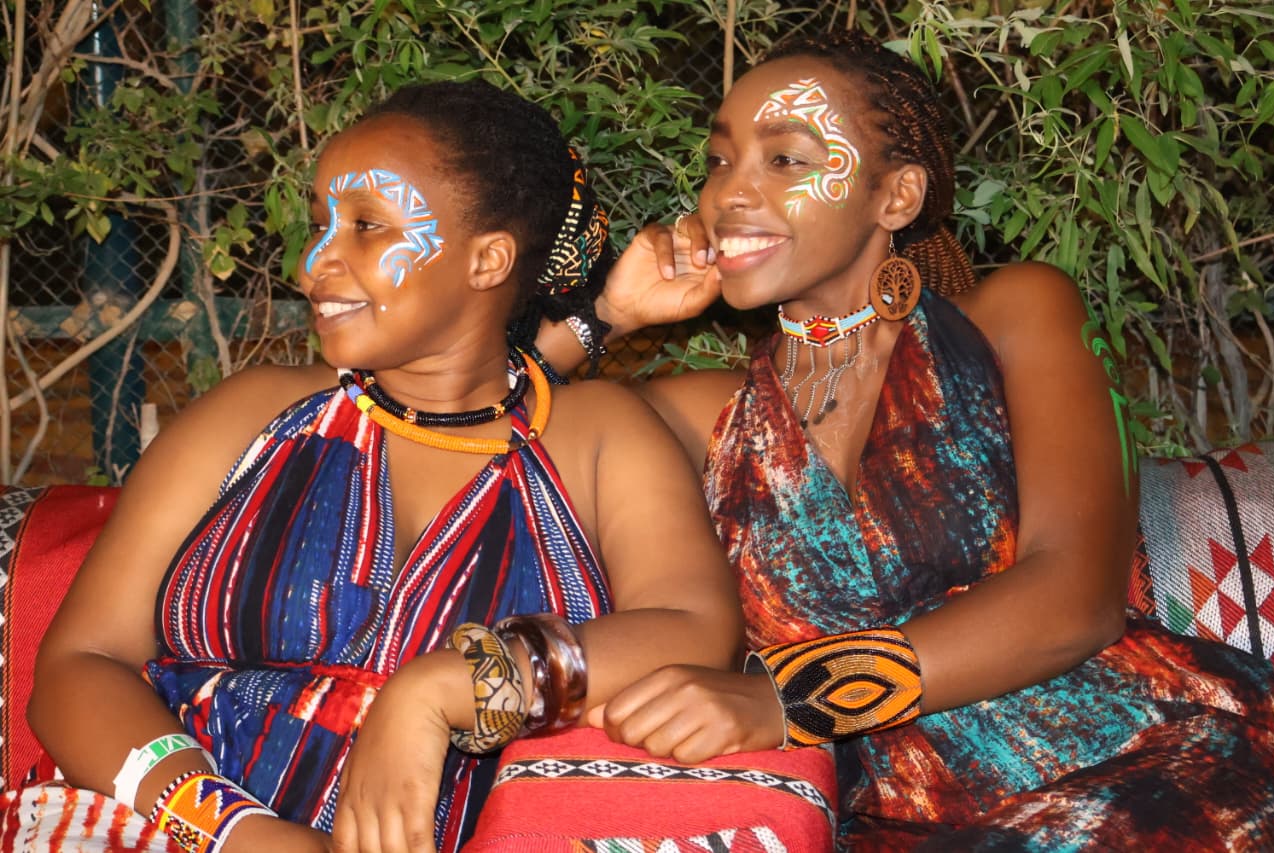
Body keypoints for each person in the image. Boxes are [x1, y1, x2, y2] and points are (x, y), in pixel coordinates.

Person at [537, 30, 1274, 849]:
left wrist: (784, 699)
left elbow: (1079, 597)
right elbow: (469, 452)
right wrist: (602, 318)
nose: (730, 195)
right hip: (899, 823)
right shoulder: (704, 417)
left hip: (1159, 766)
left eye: (784, 160)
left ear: (896, 197)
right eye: (720, 161)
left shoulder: (1015, 314)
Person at [16, 79, 742, 853]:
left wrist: (436, 690)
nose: (314, 262)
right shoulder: (251, 414)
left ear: (489, 259)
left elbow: (695, 626)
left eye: (366, 226)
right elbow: (79, 665)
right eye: (323, 221)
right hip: (170, 832)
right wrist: (244, 834)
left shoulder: (596, 436)